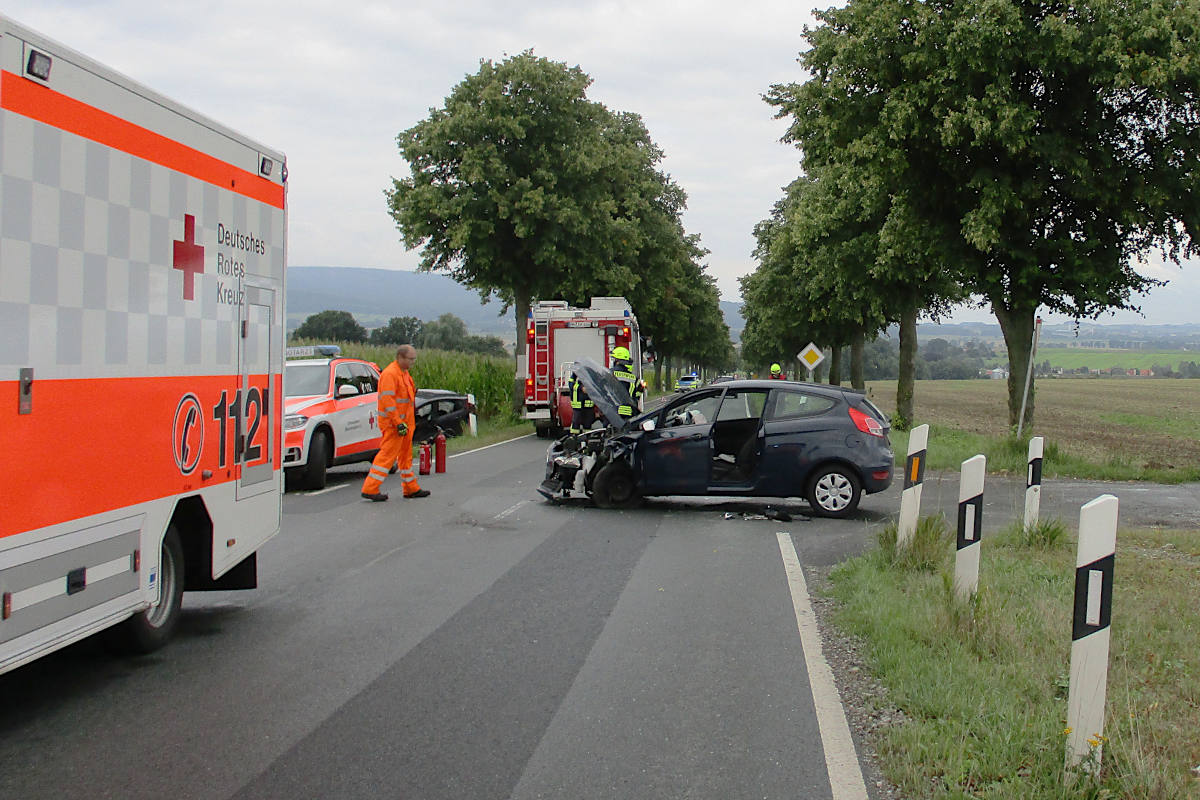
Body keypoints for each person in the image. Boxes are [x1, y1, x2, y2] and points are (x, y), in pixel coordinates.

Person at [361, 344, 430, 501]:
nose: (413, 362)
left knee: (405, 457)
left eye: (414, 359)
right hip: (394, 424)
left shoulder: (404, 374)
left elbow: (405, 398)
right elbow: (388, 401)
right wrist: (398, 422)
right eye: (410, 359)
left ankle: (410, 488)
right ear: (400, 357)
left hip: (405, 423)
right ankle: (370, 488)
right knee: (387, 455)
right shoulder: (390, 374)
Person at [609, 345, 644, 420]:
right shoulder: (633, 378)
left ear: (617, 361)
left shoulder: (610, 373)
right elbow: (640, 391)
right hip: (630, 412)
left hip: (615, 411)